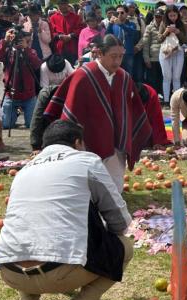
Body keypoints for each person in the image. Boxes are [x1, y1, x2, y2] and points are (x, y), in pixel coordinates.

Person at [0, 120, 133, 300]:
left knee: (26, 234)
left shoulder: (23, 171)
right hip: (60, 274)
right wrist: (108, 237)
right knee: (125, 247)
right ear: (77, 143)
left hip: (10, 273)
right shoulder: (86, 160)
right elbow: (119, 219)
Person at [44, 34, 154, 192]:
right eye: (113, 56)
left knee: (115, 188)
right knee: (87, 187)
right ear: (100, 53)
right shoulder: (83, 75)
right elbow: (73, 110)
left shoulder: (124, 77)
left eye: (121, 56)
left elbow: (131, 109)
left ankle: (113, 202)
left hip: (117, 145)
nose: (117, 61)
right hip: (88, 140)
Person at [0, 27, 42, 130]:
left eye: (20, 39)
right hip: (11, 95)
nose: (17, 41)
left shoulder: (31, 51)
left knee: (31, 125)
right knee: (6, 125)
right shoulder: (8, 51)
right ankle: (15, 113)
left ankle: (17, 112)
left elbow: (37, 64)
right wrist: (5, 41)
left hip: (28, 96)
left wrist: (26, 49)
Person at [158, 5, 187, 107]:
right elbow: (159, 39)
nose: (172, 18)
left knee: (176, 77)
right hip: (166, 52)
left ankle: (176, 100)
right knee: (167, 77)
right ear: (167, 15)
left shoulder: (181, 24)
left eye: (174, 15)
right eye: (170, 15)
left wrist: (177, 32)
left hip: (178, 52)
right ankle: (166, 101)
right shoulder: (163, 23)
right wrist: (166, 31)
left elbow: (185, 40)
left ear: (178, 15)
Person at [49, 0, 83, 65]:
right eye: (60, 4)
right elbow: (51, 32)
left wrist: (70, 36)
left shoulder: (76, 17)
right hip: (59, 49)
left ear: (67, 4)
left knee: (74, 67)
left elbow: (80, 29)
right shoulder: (53, 18)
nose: (62, 6)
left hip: (73, 48)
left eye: (64, 3)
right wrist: (59, 36)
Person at [106, 5, 137, 75]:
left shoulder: (132, 24)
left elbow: (132, 32)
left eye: (122, 13)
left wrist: (121, 24)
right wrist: (110, 24)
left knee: (128, 74)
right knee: (115, 74)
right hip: (115, 54)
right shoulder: (113, 25)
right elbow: (106, 35)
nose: (119, 15)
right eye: (117, 13)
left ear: (127, 14)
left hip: (127, 54)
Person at [141, 7, 164, 96]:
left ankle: (162, 98)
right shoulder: (149, 27)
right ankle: (152, 97)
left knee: (162, 80)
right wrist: (146, 59)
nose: (158, 18)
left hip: (164, 58)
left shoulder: (166, 26)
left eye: (160, 16)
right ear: (154, 16)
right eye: (157, 16)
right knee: (152, 81)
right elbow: (145, 44)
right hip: (153, 58)